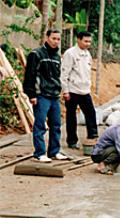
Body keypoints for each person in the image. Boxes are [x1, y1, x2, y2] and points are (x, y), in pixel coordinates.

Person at [23, 29, 68, 162]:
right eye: (53, 38)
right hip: (41, 95)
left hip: (54, 96)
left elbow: (58, 76)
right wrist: (32, 94)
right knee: (40, 125)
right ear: (47, 38)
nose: (56, 41)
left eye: (58, 39)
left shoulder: (57, 57)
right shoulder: (36, 54)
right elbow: (30, 76)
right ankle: (40, 153)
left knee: (56, 125)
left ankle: (54, 151)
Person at [61, 31, 98, 149]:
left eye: (89, 42)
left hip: (84, 90)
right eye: (85, 41)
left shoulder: (88, 54)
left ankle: (93, 137)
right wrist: (65, 90)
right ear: (78, 40)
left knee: (91, 113)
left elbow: (87, 73)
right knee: (71, 116)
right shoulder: (70, 54)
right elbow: (64, 73)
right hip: (72, 90)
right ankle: (72, 141)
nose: (88, 44)